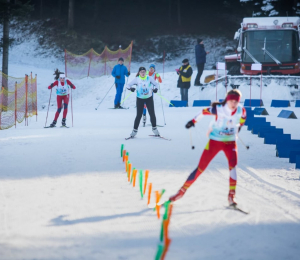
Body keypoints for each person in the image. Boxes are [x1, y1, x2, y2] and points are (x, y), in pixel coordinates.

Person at [169, 89, 247, 206]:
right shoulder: (218, 109)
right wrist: (193, 121)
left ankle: (231, 196)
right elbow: (203, 112)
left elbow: (243, 118)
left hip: (230, 143)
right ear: (227, 100)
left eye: (236, 102)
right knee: (200, 168)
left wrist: (239, 126)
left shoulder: (241, 110)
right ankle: (181, 192)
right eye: (231, 101)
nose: (233, 104)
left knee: (233, 167)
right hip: (215, 142)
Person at [126, 67, 160, 137]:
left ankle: (155, 130)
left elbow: (156, 84)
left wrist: (156, 89)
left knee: (152, 114)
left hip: (149, 98)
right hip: (140, 99)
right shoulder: (137, 79)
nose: (143, 73)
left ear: (146, 72)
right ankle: (134, 131)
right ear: (139, 72)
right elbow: (128, 85)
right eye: (141, 72)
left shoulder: (149, 78)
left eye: (144, 71)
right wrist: (130, 88)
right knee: (139, 115)